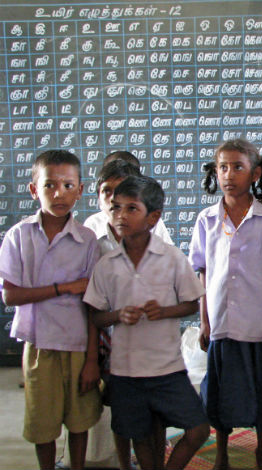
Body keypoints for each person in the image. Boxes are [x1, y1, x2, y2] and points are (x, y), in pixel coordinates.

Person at [83, 176, 209, 470]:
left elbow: (192, 303)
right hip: (126, 372)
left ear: (153, 218)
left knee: (198, 429)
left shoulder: (173, 259)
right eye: (115, 208)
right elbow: (95, 315)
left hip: (168, 369)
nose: (120, 216)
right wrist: (118, 315)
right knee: (140, 438)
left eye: (131, 209)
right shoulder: (107, 265)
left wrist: (164, 311)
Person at [189, 139, 262, 470]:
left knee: (261, 395)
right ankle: (221, 452)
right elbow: (203, 274)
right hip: (221, 323)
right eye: (222, 167)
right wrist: (204, 321)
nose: (229, 175)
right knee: (219, 395)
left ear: (255, 173)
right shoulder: (206, 219)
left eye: (238, 167)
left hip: (256, 322)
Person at [0, 150, 102, 470]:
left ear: (81, 189)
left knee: (79, 420)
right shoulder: (19, 236)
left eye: (69, 185)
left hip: (77, 345)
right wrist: (64, 288)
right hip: (40, 345)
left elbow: (93, 305)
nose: (60, 194)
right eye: (50, 185)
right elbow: (10, 296)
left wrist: (91, 359)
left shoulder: (87, 241)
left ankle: (77, 466)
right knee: (42, 423)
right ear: (34, 190)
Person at [84, 159, 168, 470]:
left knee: (155, 413)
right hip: (113, 344)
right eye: (107, 192)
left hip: (152, 340)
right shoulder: (91, 239)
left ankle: (156, 462)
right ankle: (124, 463)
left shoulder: (154, 231)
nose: (114, 200)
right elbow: (92, 303)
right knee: (122, 412)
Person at [85, 152, 173, 246]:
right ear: (99, 198)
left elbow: (169, 257)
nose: (113, 199)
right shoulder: (93, 225)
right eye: (107, 191)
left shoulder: (152, 222)